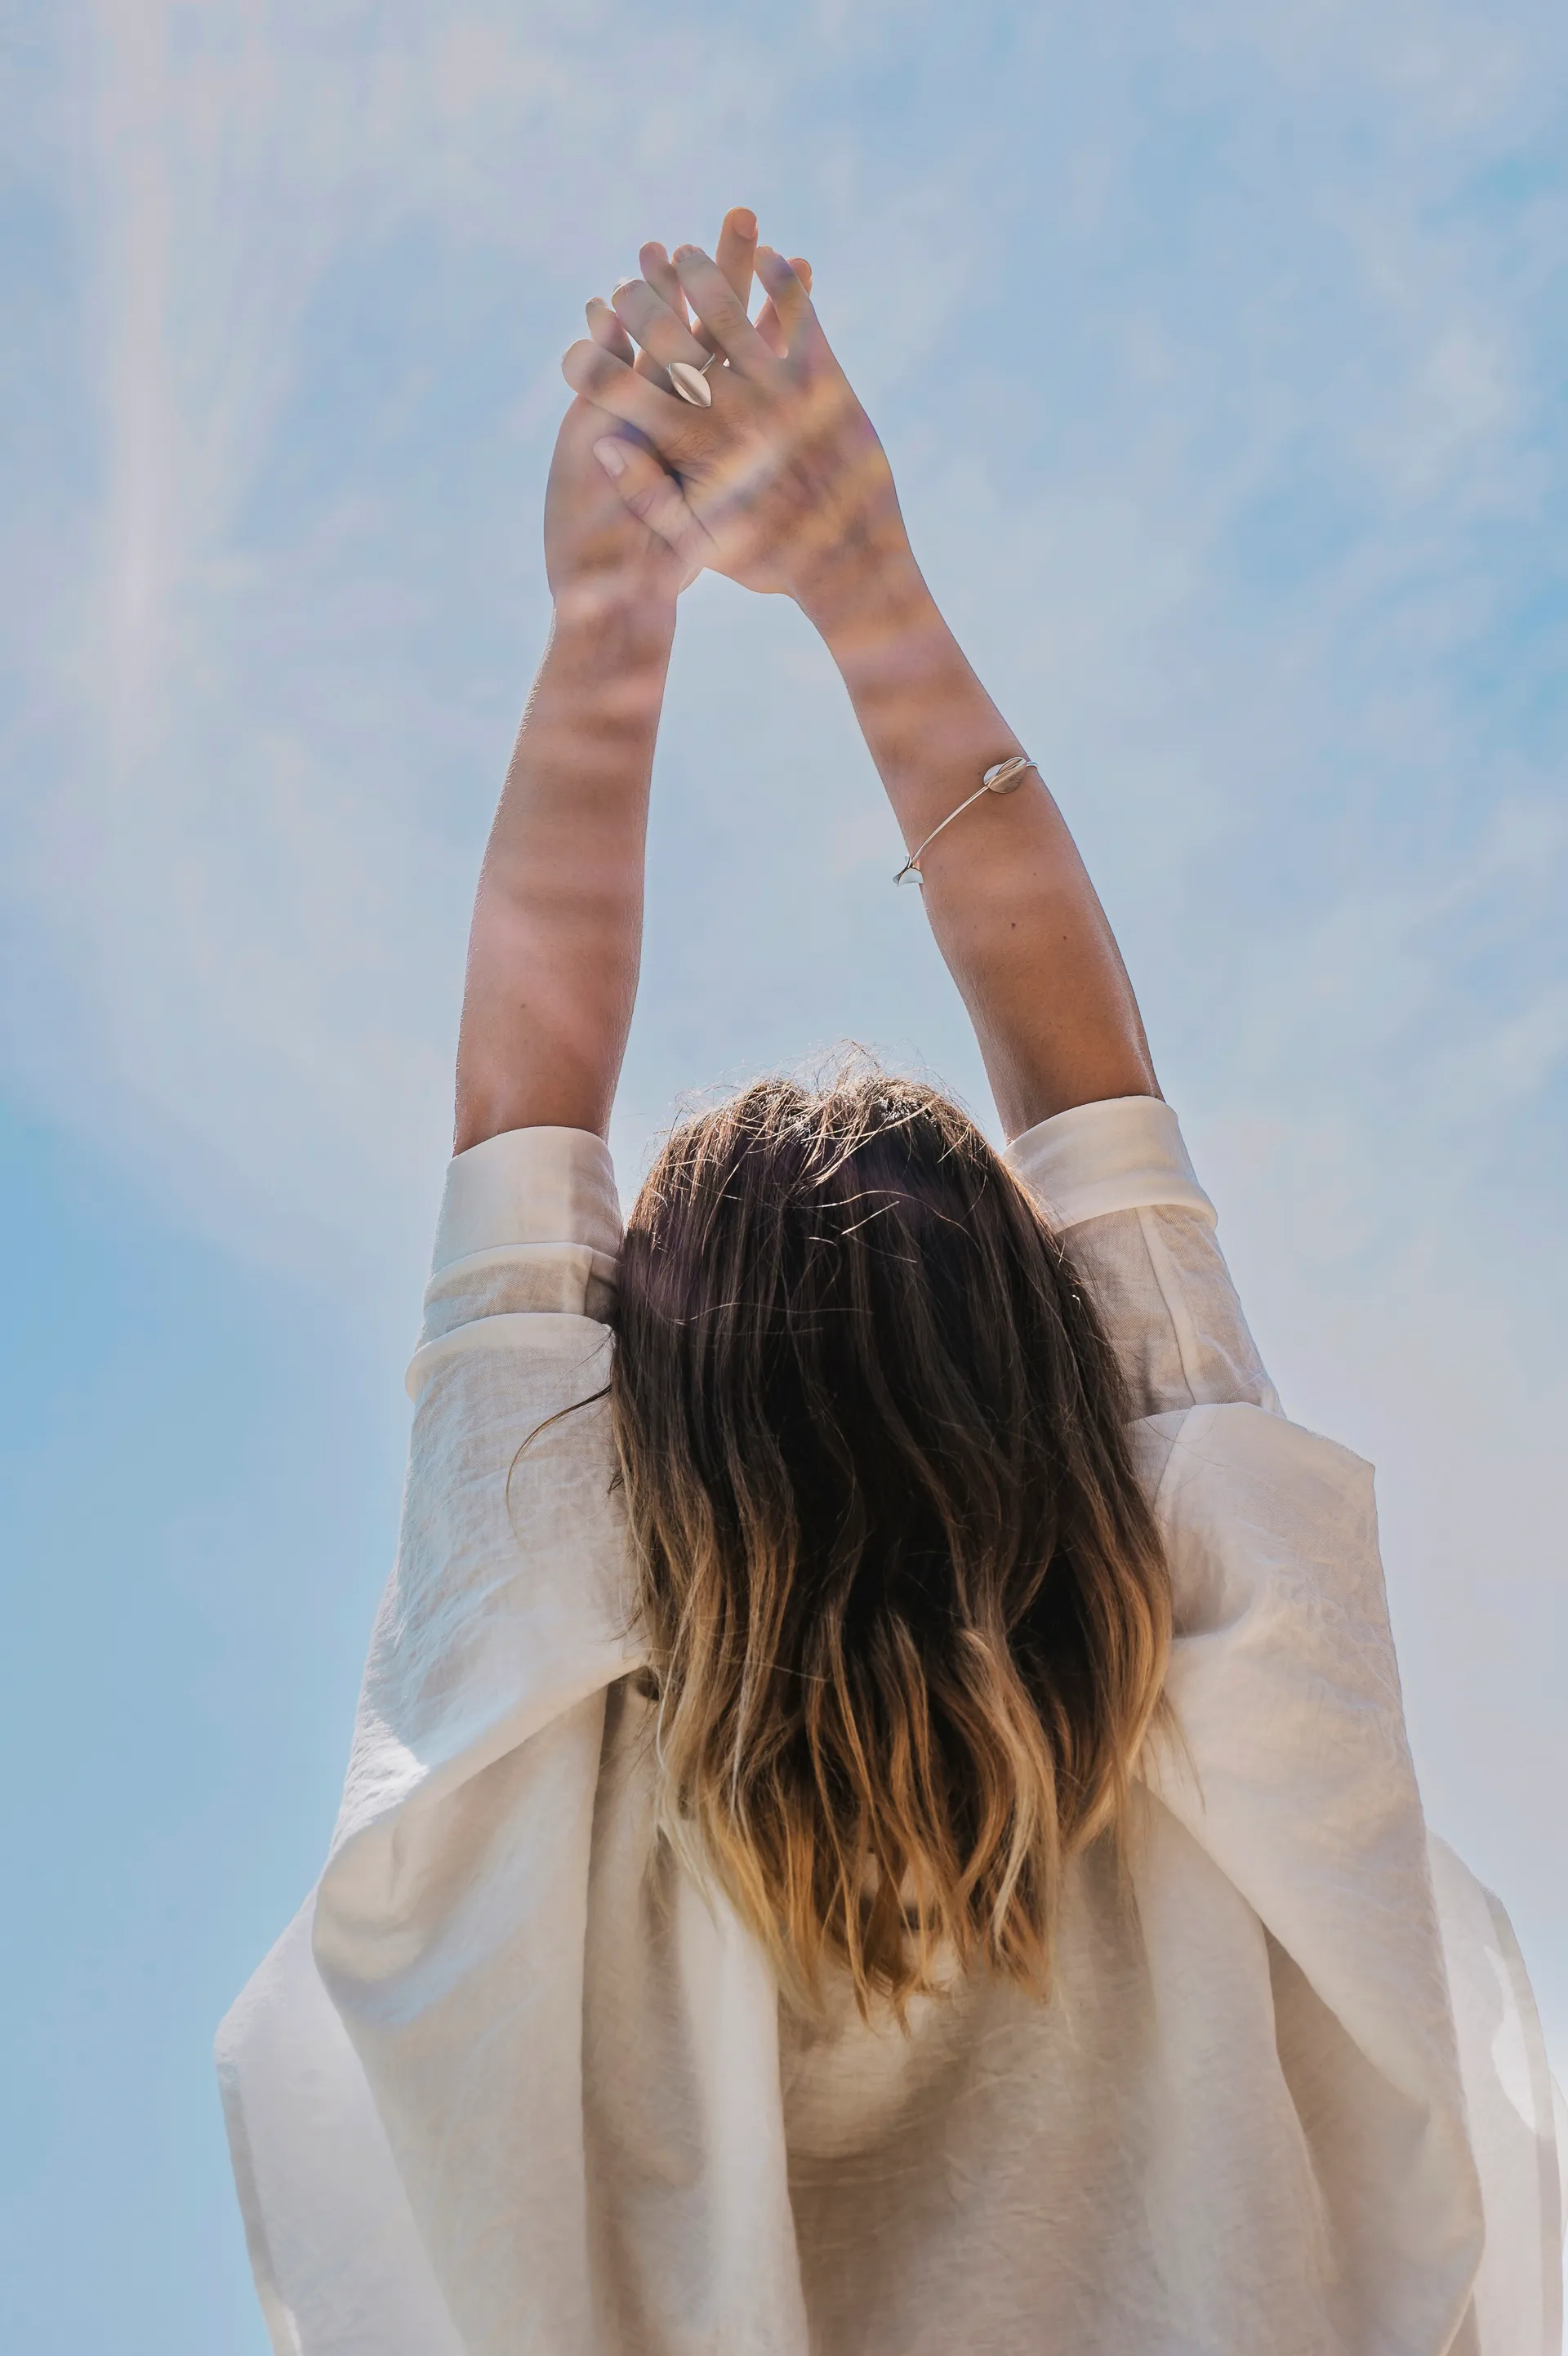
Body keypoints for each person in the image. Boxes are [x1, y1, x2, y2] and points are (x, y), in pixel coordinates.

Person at [217, 209, 1562, 2356]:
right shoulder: (1234, 1697)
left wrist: (607, 618)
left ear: (625, 1479)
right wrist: (870, 583)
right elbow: (1095, 1096)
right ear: (1065, 1410)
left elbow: (517, 1127)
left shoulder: (549, 1796)